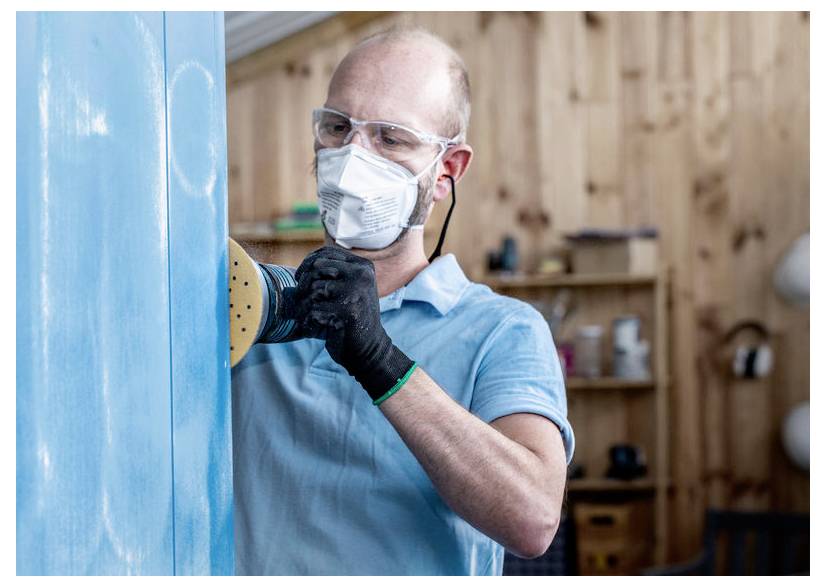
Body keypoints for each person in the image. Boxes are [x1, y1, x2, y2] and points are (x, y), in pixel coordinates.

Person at [231, 25, 575, 576]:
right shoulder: (256, 310)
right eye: (338, 127)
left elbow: (532, 520)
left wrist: (378, 359)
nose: (351, 156)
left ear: (446, 171)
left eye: (390, 139)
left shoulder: (502, 330)